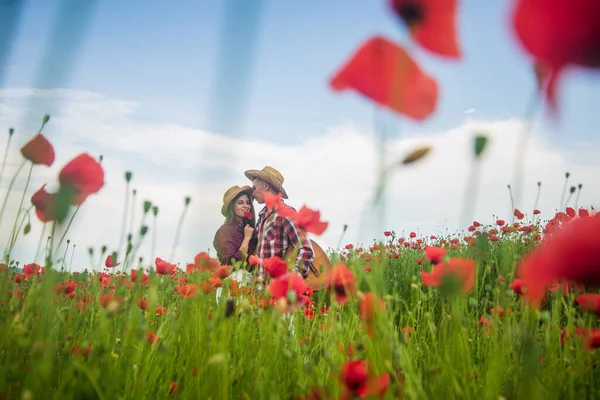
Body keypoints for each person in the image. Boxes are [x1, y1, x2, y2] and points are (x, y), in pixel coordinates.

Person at [244, 166, 314, 281]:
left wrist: (296, 276)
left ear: (266, 186)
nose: (253, 193)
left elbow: (306, 248)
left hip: (278, 286)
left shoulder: (286, 213)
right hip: (261, 287)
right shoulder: (262, 217)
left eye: (254, 187)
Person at [213, 185, 257, 269]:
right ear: (232, 207)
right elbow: (231, 263)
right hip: (234, 279)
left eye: (248, 203)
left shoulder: (251, 230)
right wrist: (246, 239)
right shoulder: (225, 231)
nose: (246, 206)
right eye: (240, 203)